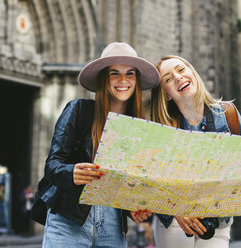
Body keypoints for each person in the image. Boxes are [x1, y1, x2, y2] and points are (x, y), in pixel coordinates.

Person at [150, 55, 241, 248]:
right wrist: (174, 210)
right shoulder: (161, 127)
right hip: (176, 222)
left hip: (218, 222)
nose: (178, 78)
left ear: (192, 73)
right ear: (166, 94)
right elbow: (150, 182)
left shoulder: (228, 115)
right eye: (168, 79)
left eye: (181, 70)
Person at [41, 42, 158, 248]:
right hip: (69, 220)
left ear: (136, 80)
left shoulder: (140, 129)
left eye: (130, 74)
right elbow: (53, 165)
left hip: (113, 226)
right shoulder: (79, 110)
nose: (123, 80)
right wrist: (71, 172)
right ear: (104, 78)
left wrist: (132, 208)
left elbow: (127, 184)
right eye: (115, 73)